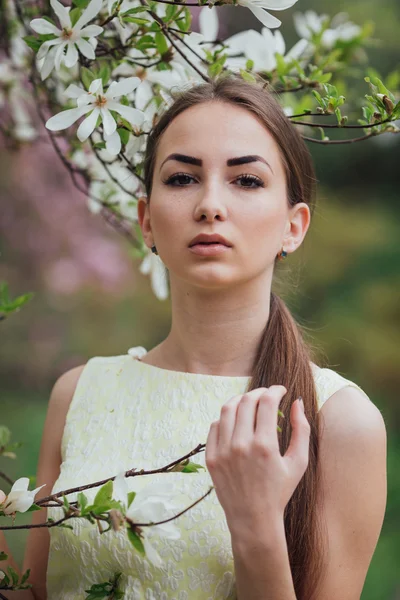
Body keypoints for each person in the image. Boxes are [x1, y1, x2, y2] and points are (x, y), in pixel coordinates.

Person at [11, 73, 386, 600]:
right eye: (182, 179)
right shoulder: (79, 394)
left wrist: (256, 523)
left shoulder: (340, 421)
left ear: (293, 226)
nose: (210, 204)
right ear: (146, 221)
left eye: (247, 181)